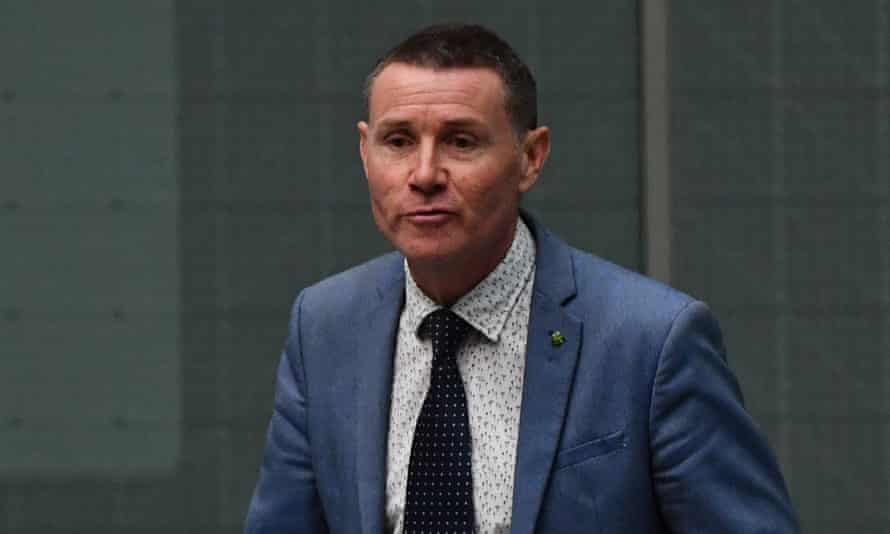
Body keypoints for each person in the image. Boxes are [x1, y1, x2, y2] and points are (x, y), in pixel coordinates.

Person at [244, 23, 800, 534]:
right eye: (398, 141)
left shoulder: (651, 342)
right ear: (365, 153)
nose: (425, 174)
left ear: (531, 158)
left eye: (461, 142)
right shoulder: (324, 328)